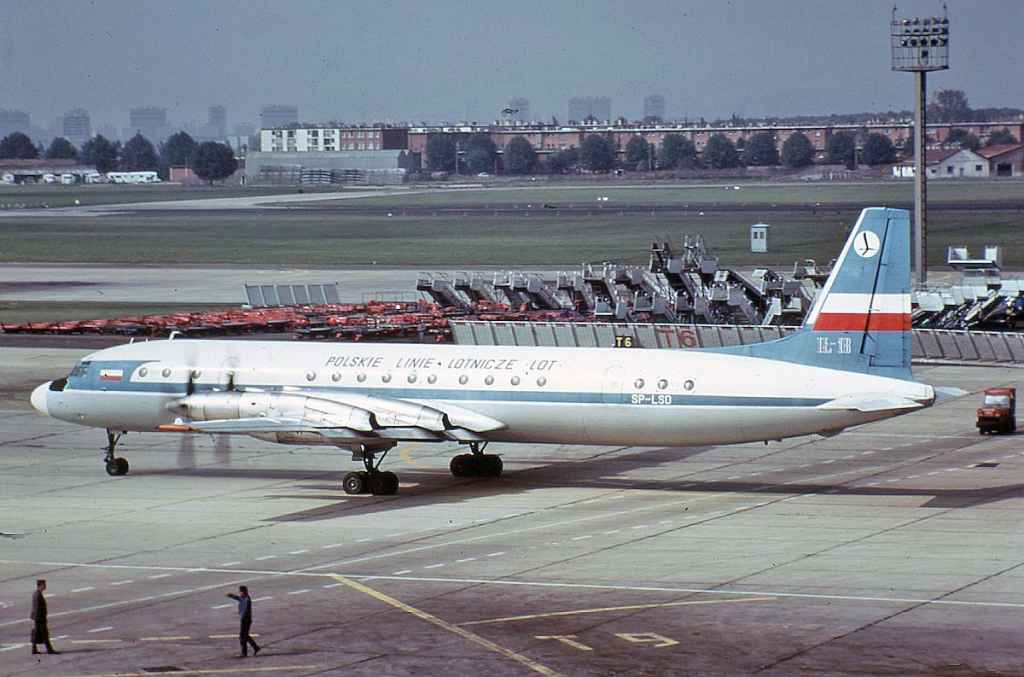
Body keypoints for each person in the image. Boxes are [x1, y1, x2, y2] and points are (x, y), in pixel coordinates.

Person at [225, 585, 260, 657]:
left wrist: (242, 617)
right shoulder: (243, 598)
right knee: (245, 635)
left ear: (244, 592)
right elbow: (238, 598)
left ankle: (244, 653)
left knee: (242, 636)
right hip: (245, 619)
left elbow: (246, 610)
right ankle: (256, 647)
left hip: (245, 620)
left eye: (241, 592)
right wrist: (231, 595)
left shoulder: (247, 599)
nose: (240, 593)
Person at [30, 580, 58, 655]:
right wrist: (40, 618)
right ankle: (49, 650)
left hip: (38, 618)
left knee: (37, 633)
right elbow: (37, 608)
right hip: (39, 618)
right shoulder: (38, 595)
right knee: (44, 634)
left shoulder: (36, 594)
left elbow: (34, 607)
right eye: (44, 585)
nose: (45, 586)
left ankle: (34, 649)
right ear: (40, 585)